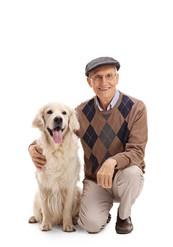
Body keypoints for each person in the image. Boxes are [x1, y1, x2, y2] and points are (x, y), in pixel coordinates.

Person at [29, 56, 148, 234]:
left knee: (132, 172)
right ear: (89, 82)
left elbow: (137, 152)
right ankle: (102, 211)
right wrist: (32, 148)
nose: (104, 82)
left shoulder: (136, 108)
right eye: (97, 77)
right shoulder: (80, 112)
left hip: (124, 177)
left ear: (117, 78)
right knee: (90, 225)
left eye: (109, 76)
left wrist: (112, 162)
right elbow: (58, 132)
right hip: (96, 181)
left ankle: (124, 216)